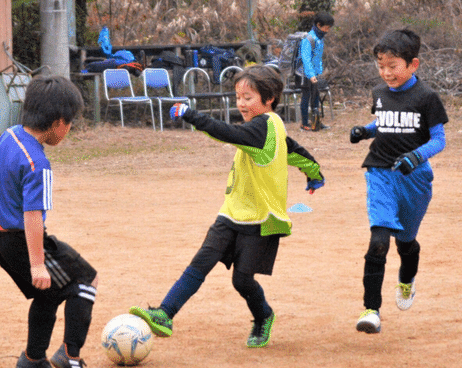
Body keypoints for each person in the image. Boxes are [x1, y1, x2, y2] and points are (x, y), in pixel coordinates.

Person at [129, 65, 325, 348]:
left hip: (260, 219)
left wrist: (190, 114)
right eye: (238, 97)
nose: (241, 104)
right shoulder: (267, 126)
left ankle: (263, 316)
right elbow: (292, 150)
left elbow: (229, 133)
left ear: (269, 99)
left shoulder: (265, 126)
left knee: (242, 281)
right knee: (201, 261)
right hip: (232, 213)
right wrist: (314, 172)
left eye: (248, 97)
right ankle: (165, 313)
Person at [0, 75, 98, 368]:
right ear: (58, 123)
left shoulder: (10, 136)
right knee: (85, 278)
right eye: (70, 124)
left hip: (1, 240)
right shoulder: (37, 164)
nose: (69, 131)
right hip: (22, 241)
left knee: (51, 293)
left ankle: (33, 360)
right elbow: (32, 217)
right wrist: (38, 263)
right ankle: (70, 355)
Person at [349, 29, 448, 334]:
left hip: (414, 180)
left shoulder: (427, 97)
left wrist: (415, 158)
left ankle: (406, 281)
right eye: (381, 66)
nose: (386, 73)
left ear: (413, 64)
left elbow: (438, 140)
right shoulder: (379, 93)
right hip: (380, 172)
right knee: (379, 243)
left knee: (406, 244)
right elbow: (384, 122)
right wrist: (366, 131)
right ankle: (371, 310)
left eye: (393, 66)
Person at [298, 11, 334, 132]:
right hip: (304, 74)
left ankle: (316, 121)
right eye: (326, 27)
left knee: (316, 96)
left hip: (315, 73)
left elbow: (318, 57)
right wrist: (311, 75)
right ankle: (304, 123)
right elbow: (306, 59)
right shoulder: (308, 39)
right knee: (306, 96)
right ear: (319, 25)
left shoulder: (319, 39)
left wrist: (319, 72)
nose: (327, 30)